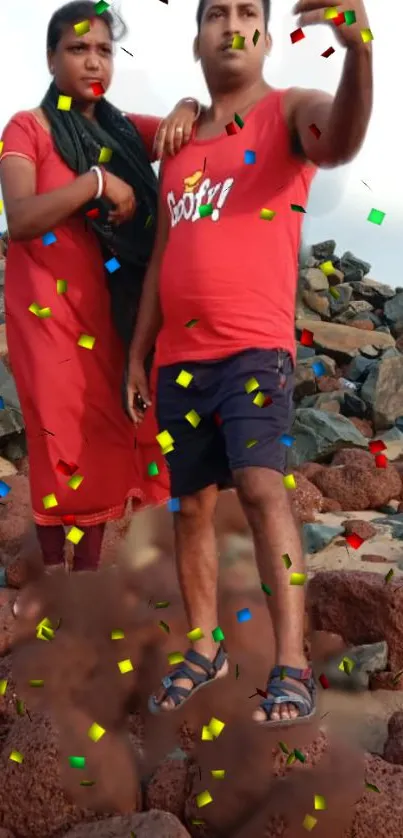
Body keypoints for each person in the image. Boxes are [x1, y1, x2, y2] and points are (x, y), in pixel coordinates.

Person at [126, 0, 373, 728]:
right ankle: (203, 648)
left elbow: (342, 140)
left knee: (265, 490)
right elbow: (162, 255)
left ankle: (290, 666)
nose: (230, 24)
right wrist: (138, 351)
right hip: (177, 361)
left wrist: (357, 50)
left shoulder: (289, 112)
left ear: (264, 35)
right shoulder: (177, 144)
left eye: (245, 12)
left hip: (253, 351)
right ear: (197, 37)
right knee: (191, 505)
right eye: (214, 14)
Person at [0, 0, 202, 575]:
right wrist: (96, 182)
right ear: (50, 56)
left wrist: (190, 103)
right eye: (78, 48)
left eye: (104, 50)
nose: (93, 62)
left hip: (112, 314)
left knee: (110, 432)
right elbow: (20, 217)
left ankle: (83, 580)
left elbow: (187, 132)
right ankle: (51, 568)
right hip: (47, 312)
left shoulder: (121, 128)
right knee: (58, 431)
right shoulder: (27, 128)